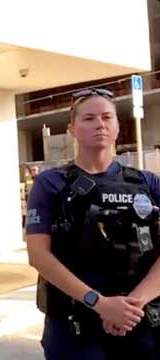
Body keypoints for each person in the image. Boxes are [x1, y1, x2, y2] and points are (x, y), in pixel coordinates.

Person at [26, 87, 160, 359]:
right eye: (88, 118)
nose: (99, 124)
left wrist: (131, 307)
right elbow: (38, 255)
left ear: (117, 126)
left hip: (141, 323)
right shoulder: (50, 184)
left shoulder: (148, 183)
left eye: (106, 117)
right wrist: (100, 305)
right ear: (72, 129)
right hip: (74, 330)